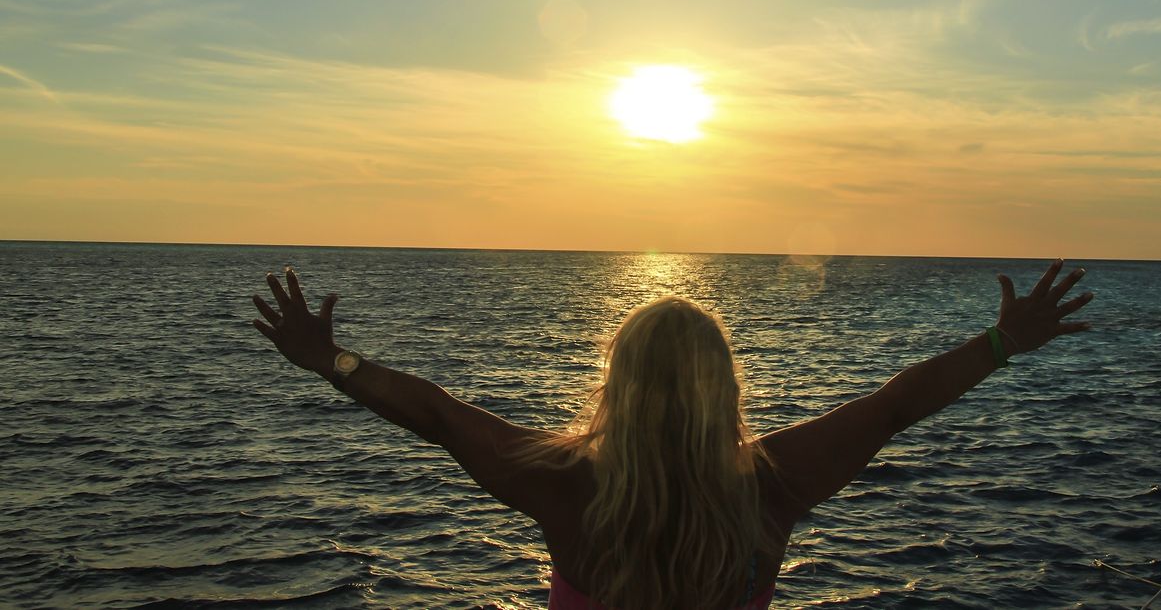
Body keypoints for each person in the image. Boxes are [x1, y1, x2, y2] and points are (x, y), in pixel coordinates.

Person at [252, 259, 1093, 609]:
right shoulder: (771, 483)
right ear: (724, 387)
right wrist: (1001, 341)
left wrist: (334, 361)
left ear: (616, 382)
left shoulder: (564, 484)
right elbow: (892, 405)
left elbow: (438, 414)